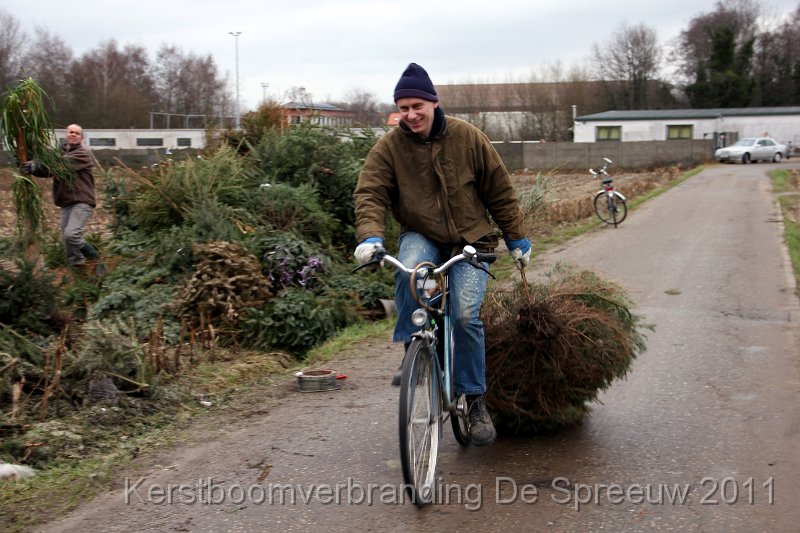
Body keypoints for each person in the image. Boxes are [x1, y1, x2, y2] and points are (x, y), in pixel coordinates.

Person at [353, 63, 531, 446]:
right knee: (409, 269)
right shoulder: (390, 147)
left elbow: (499, 190)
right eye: (403, 107)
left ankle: (474, 398)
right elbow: (369, 192)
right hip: (423, 232)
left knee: (465, 315)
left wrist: (516, 239)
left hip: (473, 238)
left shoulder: (468, 138)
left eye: (417, 104)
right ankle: (412, 347)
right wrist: (370, 236)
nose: (411, 114)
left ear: (434, 102)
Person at [21, 124, 104, 276]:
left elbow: (59, 166)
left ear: (81, 138)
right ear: (66, 134)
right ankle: (79, 269)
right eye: (70, 132)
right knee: (68, 241)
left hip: (81, 202)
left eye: (76, 133)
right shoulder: (60, 154)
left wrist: (37, 164)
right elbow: (48, 170)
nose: (73, 134)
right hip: (66, 203)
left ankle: (96, 259)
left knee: (71, 234)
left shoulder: (82, 154)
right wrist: (33, 168)